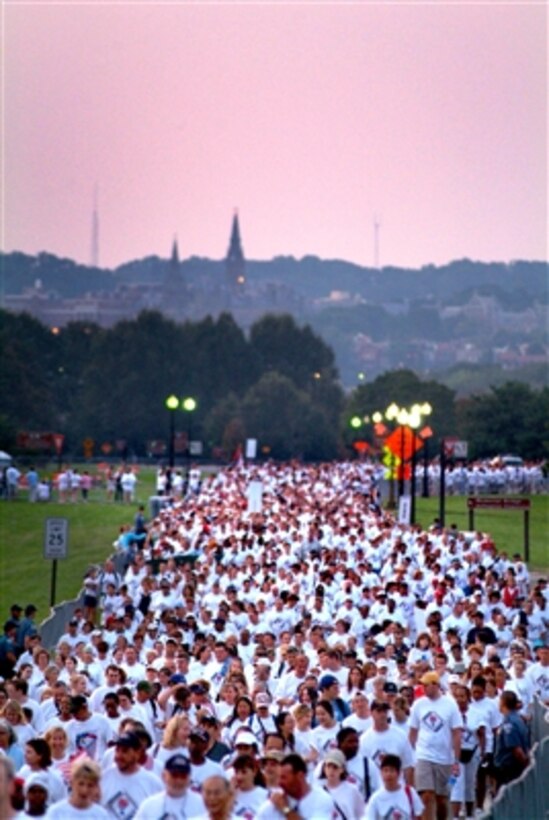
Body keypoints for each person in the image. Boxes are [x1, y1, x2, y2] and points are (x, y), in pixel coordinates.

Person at [408, 672, 462, 820]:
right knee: (426, 794)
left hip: (444, 757)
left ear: (436, 685)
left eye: (426, 685)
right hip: (423, 754)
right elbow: (413, 731)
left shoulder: (450, 704)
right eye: (422, 685)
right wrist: (409, 755)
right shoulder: (418, 704)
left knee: (441, 799)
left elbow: (457, 732)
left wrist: (456, 760)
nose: (423, 688)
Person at [100, 732, 163, 817]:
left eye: (125, 751)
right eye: (117, 750)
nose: (119, 755)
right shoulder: (103, 778)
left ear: (138, 753)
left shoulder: (153, 783)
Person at [256, 752, 335, 819]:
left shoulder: (322, 799)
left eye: (284, 778)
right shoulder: (274, 802)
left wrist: (285, 809)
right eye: (279, 777)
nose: (280, 782)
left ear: (300, 776)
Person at [134, 753, 206, 819]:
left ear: (189, 778)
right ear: (164, 776)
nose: (179, 781)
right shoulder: (149, 805)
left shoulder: (203, 805)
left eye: (183, 776)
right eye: (174, 775)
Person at [44, 759, 109, 819]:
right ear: (72, 783)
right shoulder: (56, 812)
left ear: (96, 787)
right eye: (81, 784)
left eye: (90, 785)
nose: (85, 790)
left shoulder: (101, 815)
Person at [366, 754, 423, 820]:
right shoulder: (375, 798)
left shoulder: (410, 792)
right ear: (381, 773)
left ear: (399, 773)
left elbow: (419, 815)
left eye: (392, 770)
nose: (388, 774)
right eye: (385, 770)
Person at [492, 690, 530, 791]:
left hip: (508, 770)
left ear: (503, 703)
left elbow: (517, 750)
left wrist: (526, 765)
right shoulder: (518, 719)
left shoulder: (509, 723)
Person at [317, 747, 365, 820]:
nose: (331, 770)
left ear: (342, 769)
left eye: (335, 767)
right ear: (324, 768)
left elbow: (362, 814)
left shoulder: (352, 791)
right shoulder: (318, 791)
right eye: (328, 766)